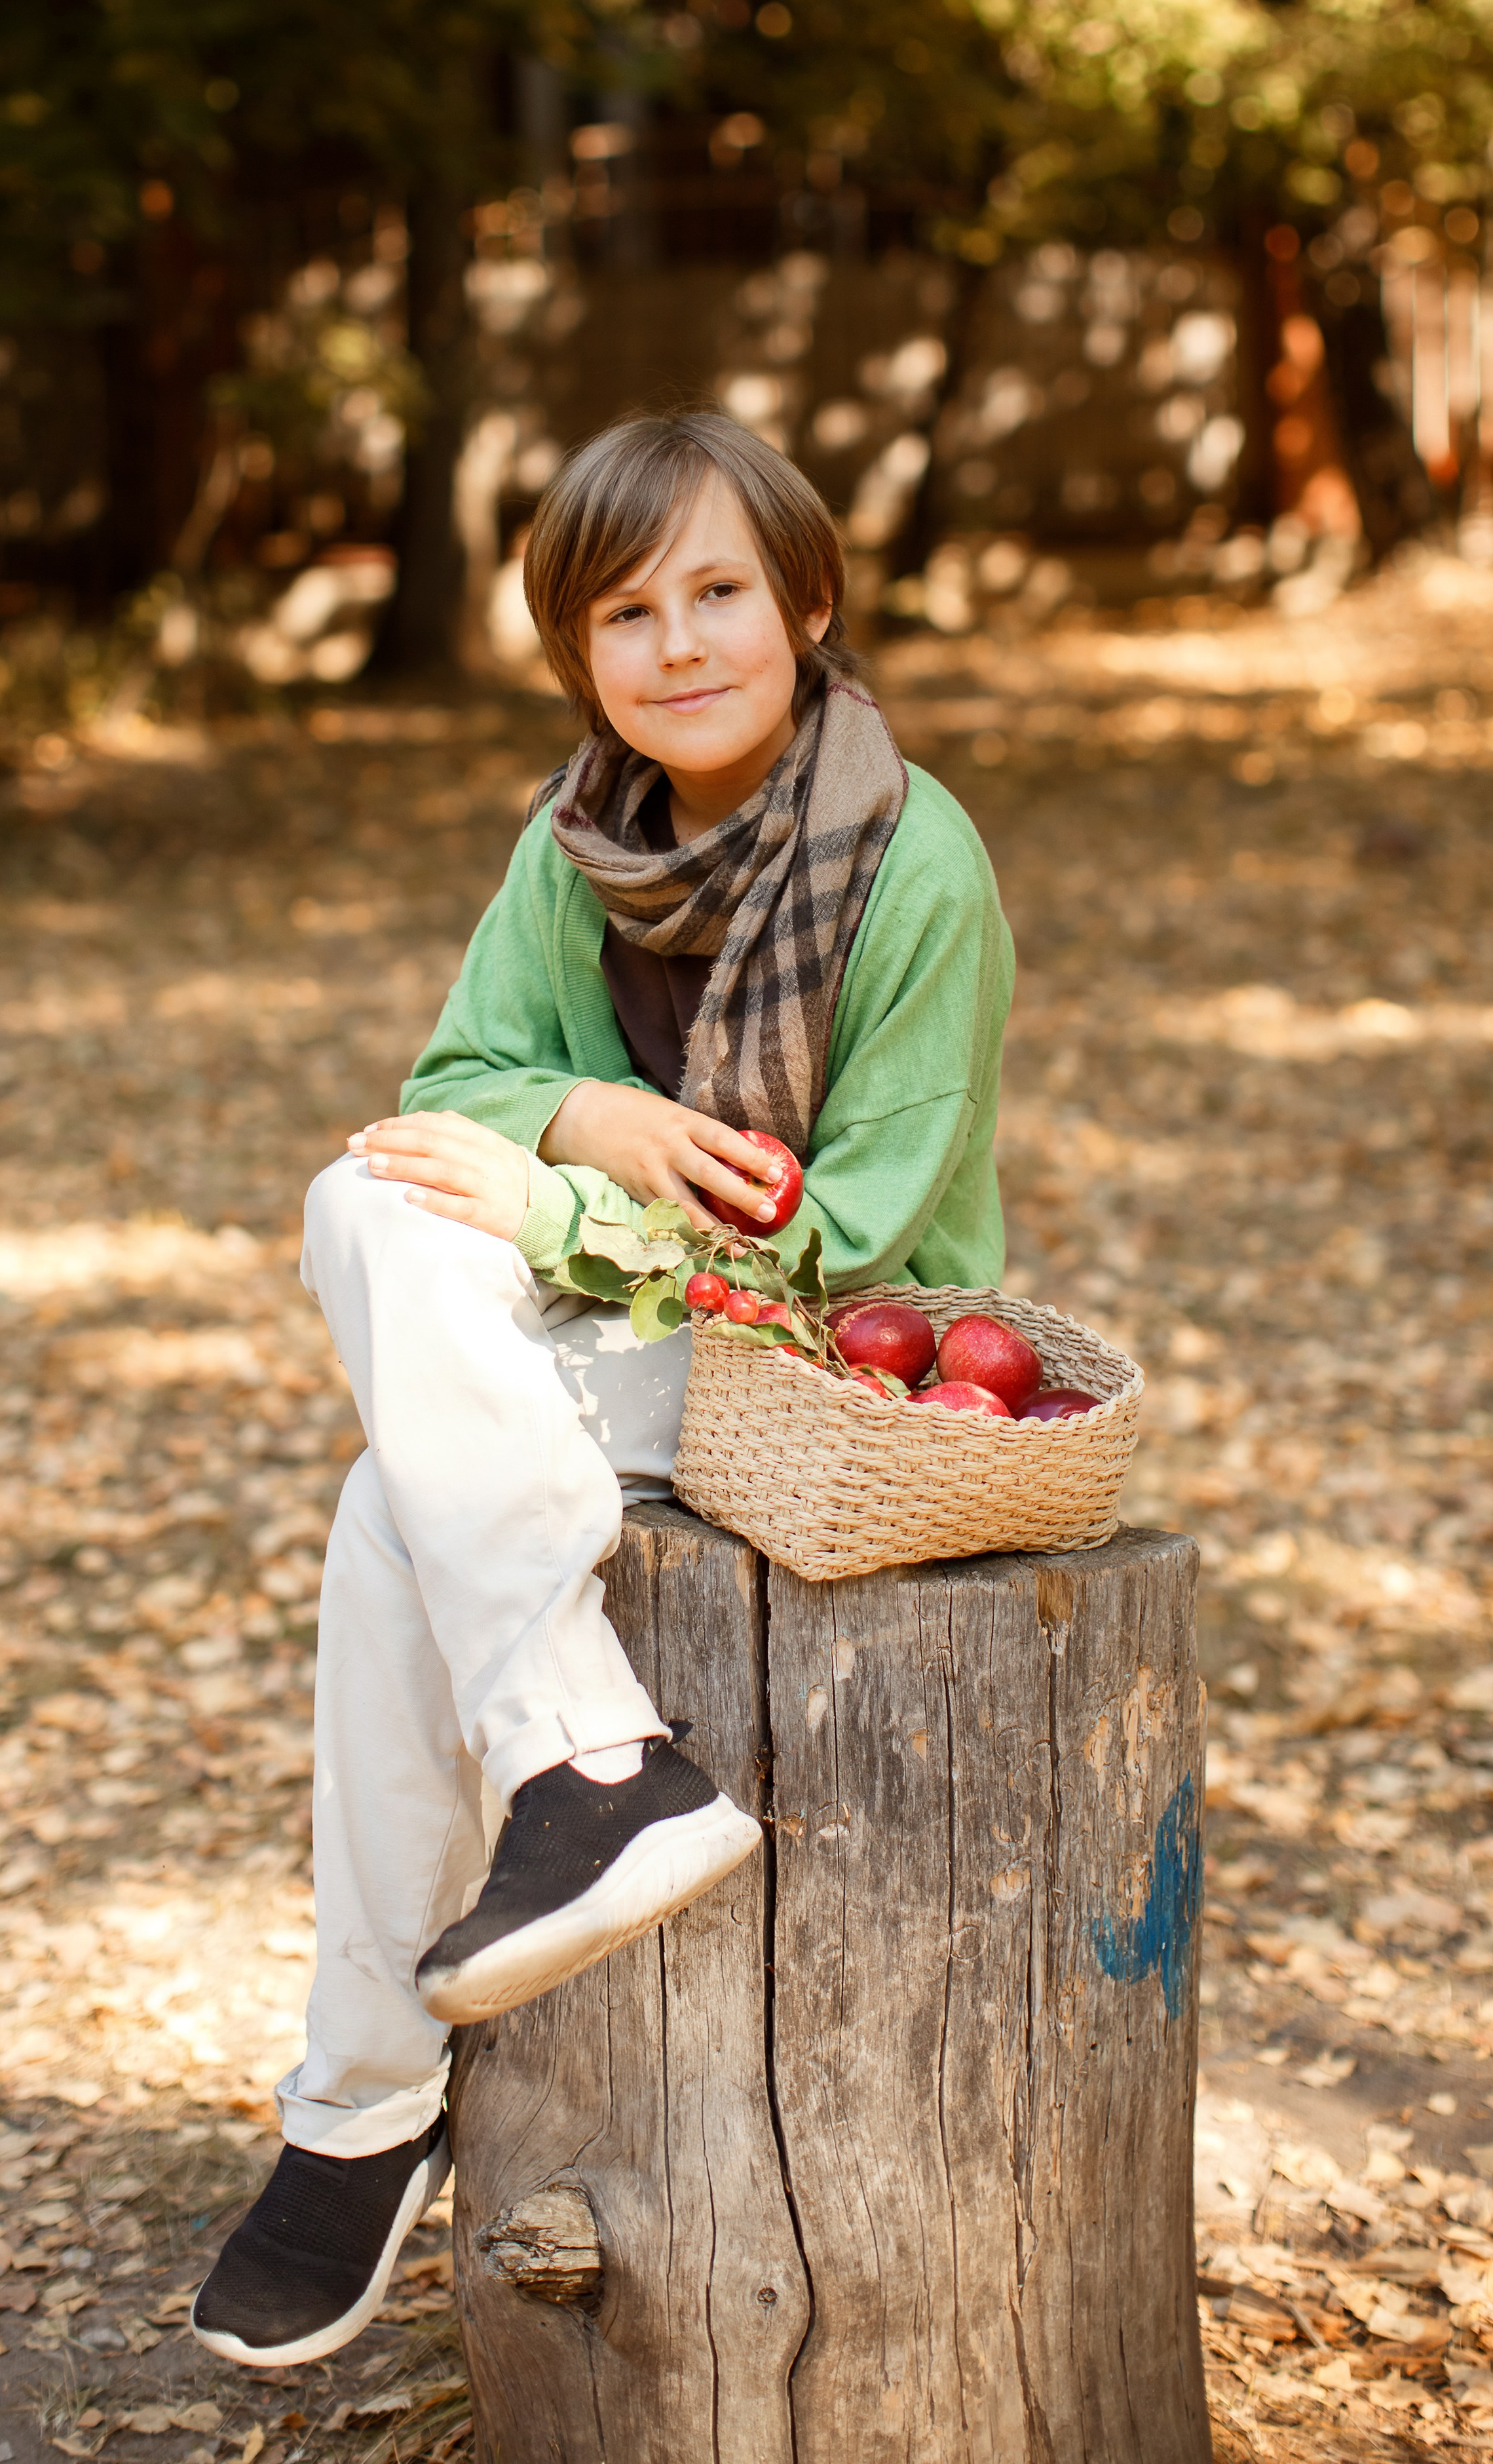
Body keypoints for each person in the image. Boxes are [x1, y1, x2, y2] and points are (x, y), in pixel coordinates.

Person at [191, 409, 1014, 2368]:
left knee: (396, 1511)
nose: (676, 644)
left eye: (719, 590)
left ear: (806, 603)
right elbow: (451, 1088)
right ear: (578, 656)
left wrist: (556, 1182)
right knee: (358, 1205)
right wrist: (587, 1115)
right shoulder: (577, 844)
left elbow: (865, 1232)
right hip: (627, 1330)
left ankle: (366, 2109)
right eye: (621, 613)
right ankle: (589, 1763)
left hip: (814, 1362)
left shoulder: (916, 868)